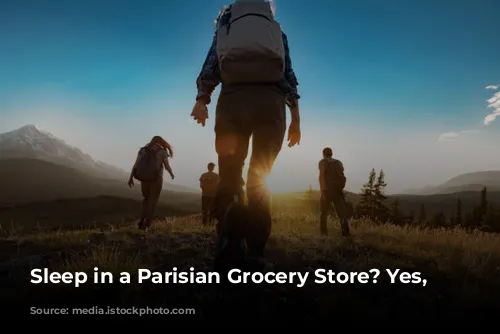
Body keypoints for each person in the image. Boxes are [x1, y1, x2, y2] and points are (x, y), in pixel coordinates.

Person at [190, 0, 301, 273]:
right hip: (271, 105)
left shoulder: (226, 28)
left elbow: (211, 65)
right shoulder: (276, 32)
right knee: (260, 176)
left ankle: (229, 241)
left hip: (232, 102)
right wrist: (296, 119)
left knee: (230, 173)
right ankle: (256, 252)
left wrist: (202, 99)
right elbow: (289, 75)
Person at [128, 136, 175, 231]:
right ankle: (147, 224)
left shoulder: (143, 150)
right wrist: (171, 174)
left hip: (144, 179)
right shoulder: (162, 152)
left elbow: (136, 165)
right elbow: (167, 166)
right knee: (152, 201)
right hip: (156, 180)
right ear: (161, 142)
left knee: (146, 199)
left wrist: (131, 178)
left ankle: (141, 221)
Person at [318, 147, 350, 237]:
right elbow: (342, 176)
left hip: (326, 191)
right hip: (337, 191)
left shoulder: (322, 162)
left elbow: (322, 177)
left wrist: (322, 191)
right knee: (341, 214)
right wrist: (339, 188)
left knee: (323, 214)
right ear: (331, 154)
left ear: (323, 154)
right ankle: (346, 234)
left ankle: (323, 235)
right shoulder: (338, 162)